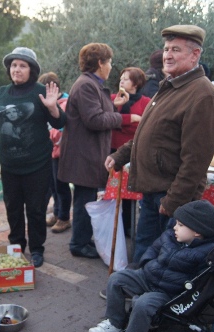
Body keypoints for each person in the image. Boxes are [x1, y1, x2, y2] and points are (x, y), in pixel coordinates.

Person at [105, 25, 214, 264]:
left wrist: (174, 201)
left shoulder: (202, 94)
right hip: (153, 190)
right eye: (167, 49)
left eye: (176, 50)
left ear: (195, 54)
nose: (167, 55)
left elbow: (196, 160)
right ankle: (134, 291)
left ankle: (147, 298)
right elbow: (150, 134)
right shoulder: (170, 86)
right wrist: (121, 155)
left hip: (169, 195)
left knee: (162, 258)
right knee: (146, 250)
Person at [0, 47, 66, 268]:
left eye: (22, 65)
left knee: (36, 210)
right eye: (13, 65)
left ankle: (37, 249)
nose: (16, 69)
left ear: (31, 69)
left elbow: (60, 122)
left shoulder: (41, 91)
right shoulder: (2, 92)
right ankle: (17, 246)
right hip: (9, 165)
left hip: (37, 164)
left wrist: (53, 108)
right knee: (13, 208)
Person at [88, 200, 214, 332]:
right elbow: (153, 248)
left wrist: (187, 292)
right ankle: (115, 321)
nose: (174, 227)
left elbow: (202, 281)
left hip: (167, 291)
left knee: (143, 304)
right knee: (116, 279)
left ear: (197, 232)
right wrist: (146, 263)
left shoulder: (206, 252)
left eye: (180, 225)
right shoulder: (170, 236)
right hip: (148, 276)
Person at [57, 43, 125, 259]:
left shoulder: (91, 84)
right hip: (84, 156)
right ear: (100, 63)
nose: (111, 67)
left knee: (85, 199)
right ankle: (79, 244)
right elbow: (94, 120)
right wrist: (124, 118)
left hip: (87, 154)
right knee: (84, 201)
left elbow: (99, 112)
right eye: (110, 62)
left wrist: (116, 106)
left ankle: (83, 239)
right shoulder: (87, 85)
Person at [111, 67, 151, 236]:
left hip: (133, 151)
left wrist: (123, 122)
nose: (121, 81)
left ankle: (127, 227)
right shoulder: (113, 99)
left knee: (128, 192)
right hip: (113, 150)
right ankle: (113, 227)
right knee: (112, 191)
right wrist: (130, 119)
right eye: (121, 78)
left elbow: (144, 126)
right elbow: (108, 120)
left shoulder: (146, 102)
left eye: (126, 79)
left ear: (136, 83)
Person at [39, 72, 72, 234]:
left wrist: (46, 136)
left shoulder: (65, 104)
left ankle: (64, 217)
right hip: (52, 153)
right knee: (53, 186)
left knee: (61, 186)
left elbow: (59, 131)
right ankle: (57, 212)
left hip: (63, 153)